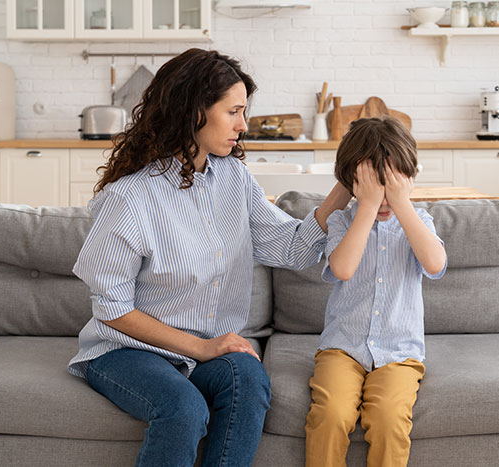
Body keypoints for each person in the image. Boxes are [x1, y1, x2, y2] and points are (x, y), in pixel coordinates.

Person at [67, 48, 350, 467]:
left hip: (206, 350)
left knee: (249, 381)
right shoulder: (129, 199)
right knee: (184, 409)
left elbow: (291, 247)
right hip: (126, 351)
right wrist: (201, 347)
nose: (243, 124)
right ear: (194, 111)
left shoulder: (233, 178)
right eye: (233, 111)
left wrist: (346, 181)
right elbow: (112, 309)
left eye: (244, 111)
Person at [305, 117, 448, 467]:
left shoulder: (419, 222)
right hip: (343, 349)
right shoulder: (342, 221)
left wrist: (402, 204)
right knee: (331, 415)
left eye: (390, 186)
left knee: (388, 420)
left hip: (399, 353)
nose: (382, 198)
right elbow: (343, 268)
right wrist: (366, 207)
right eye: (372, 186)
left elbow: (434, 264)